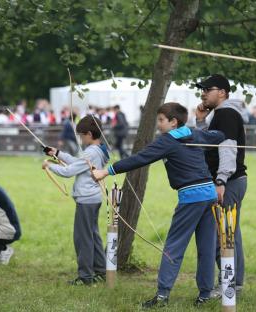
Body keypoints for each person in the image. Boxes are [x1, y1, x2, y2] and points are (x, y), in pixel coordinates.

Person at [92, 102, 225, 308]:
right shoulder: (192, 133)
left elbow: (139, 158)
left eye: (161, 121)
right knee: (207, 246)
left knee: (174, 246)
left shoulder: (167, 140)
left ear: (173, 122)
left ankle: (162, 296)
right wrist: (204, 127)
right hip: (209, 195)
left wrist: (105, 171)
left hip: (192, 197)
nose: (158, 124)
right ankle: (205, 294)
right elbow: (217, 136)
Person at [195, 74, 248, 297]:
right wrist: (200, 121)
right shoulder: (220, 114)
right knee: (230, 232)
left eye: (208, 89)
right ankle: (234, 282)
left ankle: (229, 284)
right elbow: (209, 142)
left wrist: (220, 180)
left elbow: (227, 149)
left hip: (230, 181)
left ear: (223, 92)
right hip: (231, 181)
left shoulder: (226, 114)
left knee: (224, 233)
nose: (203, 92)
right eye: (203, 89)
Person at [43, 115, 109, 285]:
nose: (80, 138)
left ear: (89, 133)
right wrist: (57, 153)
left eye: (81, 135)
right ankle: (101, 271)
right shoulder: (99, 149)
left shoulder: (91, 152)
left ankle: (86, 276)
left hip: (86, 200)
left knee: (83, 238)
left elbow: (69, 171)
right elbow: (78, 163)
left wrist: (50, 165)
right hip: (93, 199)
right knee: (93, 235)